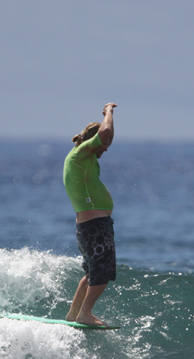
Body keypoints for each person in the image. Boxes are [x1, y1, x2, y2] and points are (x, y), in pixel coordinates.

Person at [63, 103, 118, 326]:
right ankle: (85, 314)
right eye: (104, 145)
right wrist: (109, 113)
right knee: (101, 274)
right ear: (94, 141)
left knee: (91, 273)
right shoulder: (81, 155)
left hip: (88, 227)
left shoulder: (82, 158)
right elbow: (104, 133)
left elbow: (106, 135)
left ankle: (74, 314)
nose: (106, 148)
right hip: (95, 227)